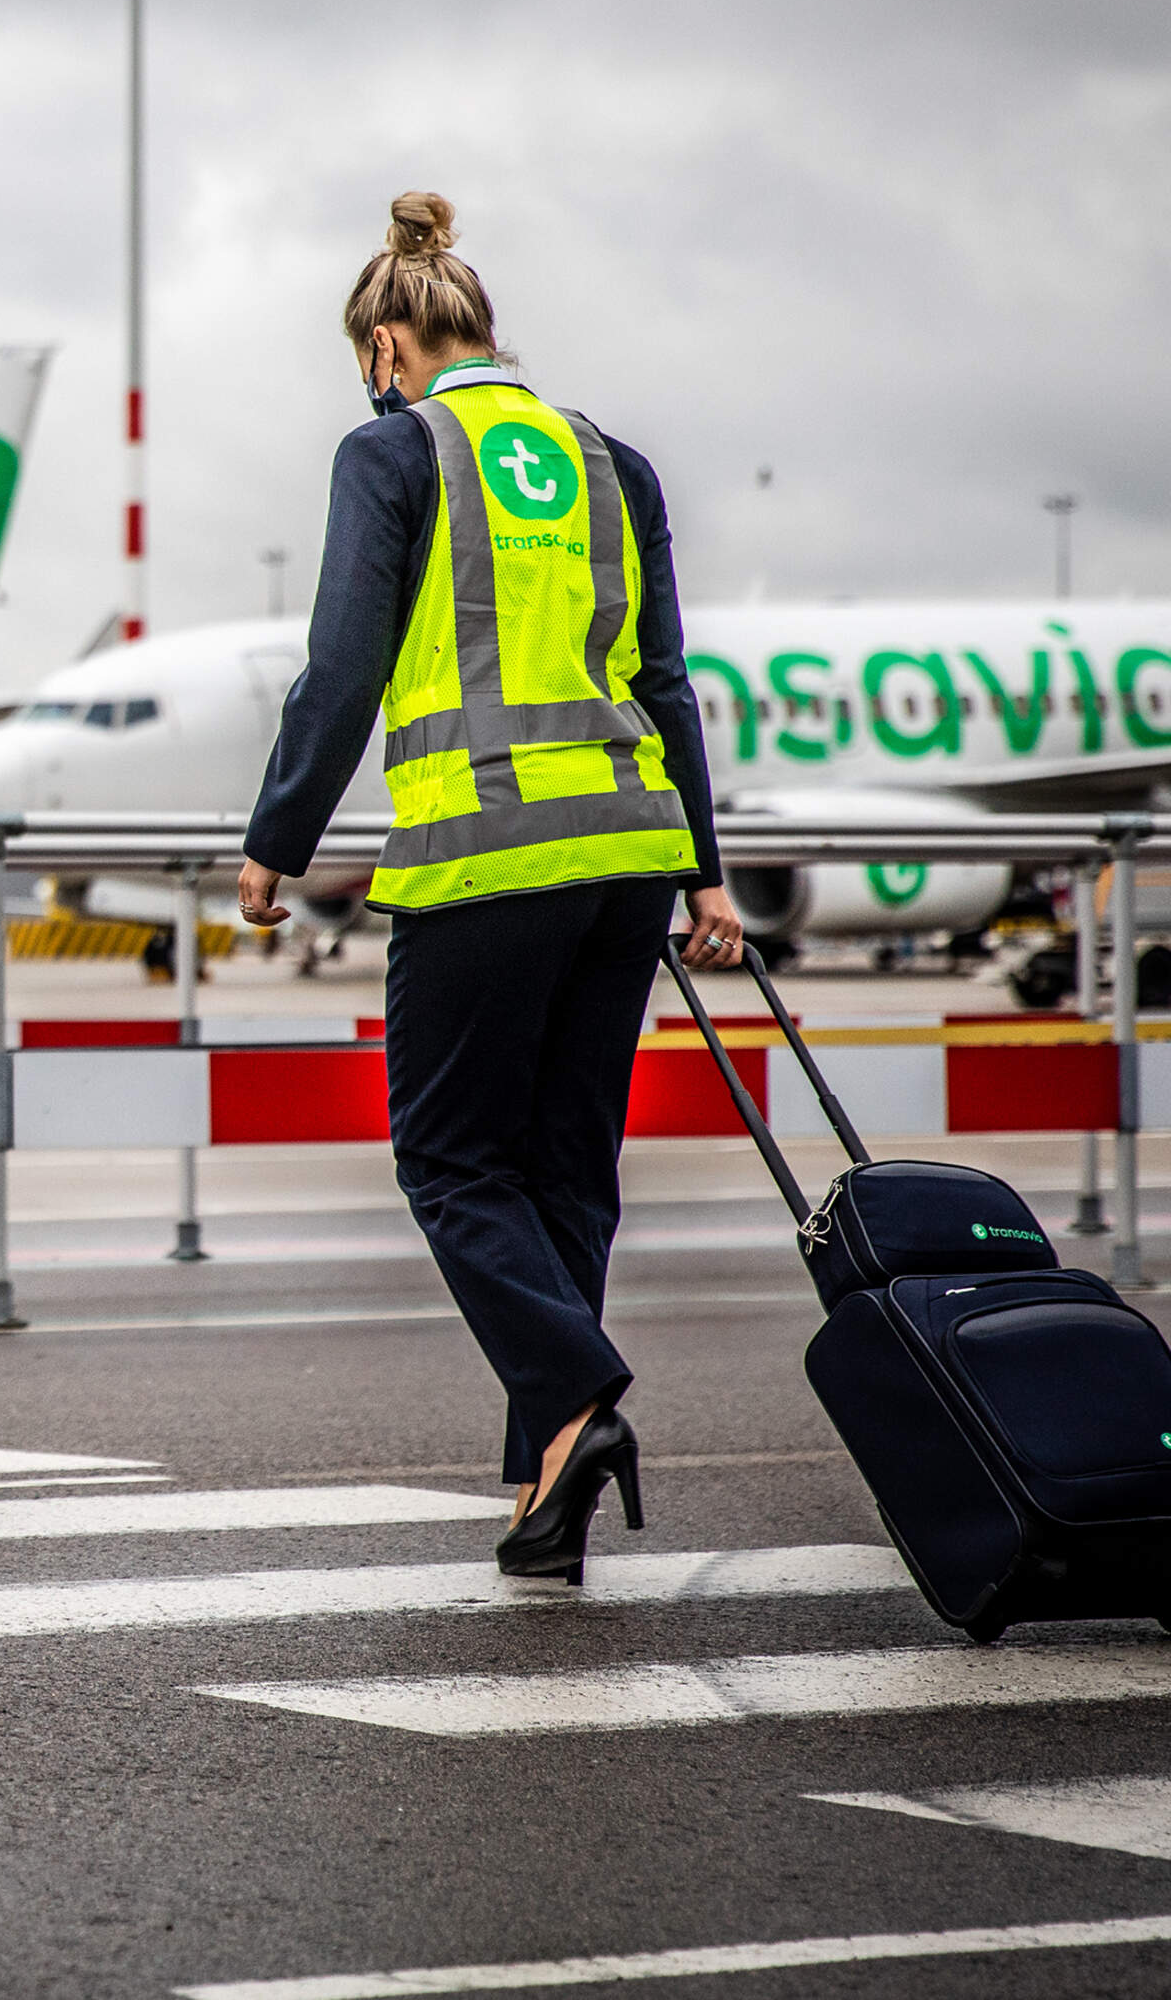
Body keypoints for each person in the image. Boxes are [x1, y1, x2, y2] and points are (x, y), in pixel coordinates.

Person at [233, 193, 747, 1582]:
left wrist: (276, 839)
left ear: (391, 343)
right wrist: (704, 866)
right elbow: (663, 681)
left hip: (480, 859)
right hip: (630, 857)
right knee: (568, 1169)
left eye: (367, 363)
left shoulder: (393, 453)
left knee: (451, 1159)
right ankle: (542, 1485)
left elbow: (340, 671)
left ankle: (579, 1400)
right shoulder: (610, 462)